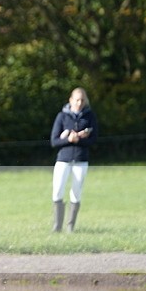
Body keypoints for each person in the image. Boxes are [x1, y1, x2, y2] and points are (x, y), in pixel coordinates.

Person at [50, 87, 98, 232]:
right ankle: (57, 226)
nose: (79, 102)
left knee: (76, 192)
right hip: (63, 160)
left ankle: (70, 226)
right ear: (70, 100)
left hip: (81, 160)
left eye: (82, 100)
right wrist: (69, 140)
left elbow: (93, 140)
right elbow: (54, 141)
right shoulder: (62, 116)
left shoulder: (90, 117)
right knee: (57, 191)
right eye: (77, 99)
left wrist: (80, 140)